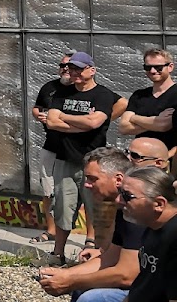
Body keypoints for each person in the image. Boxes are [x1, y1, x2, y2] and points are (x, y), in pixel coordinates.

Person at [42, 142, 171, 302]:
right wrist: (67, 275)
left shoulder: (145, 212)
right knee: (82, 293)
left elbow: (127, 275)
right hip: (146, 292)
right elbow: (112, 258)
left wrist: (71, 280)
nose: (86, 185)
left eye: (92, 179)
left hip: (155, 301)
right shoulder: (135, 211)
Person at [67, 166, 177, 302]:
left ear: (159, 204)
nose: (118, 200)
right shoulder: (152, 227)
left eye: (128, 196)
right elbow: (141, 285)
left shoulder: (173, 237)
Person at [46, 52, 119, 263]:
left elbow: (95, 122)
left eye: (79, 68)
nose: (73, 72)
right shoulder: (62, 93)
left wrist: (66, 118)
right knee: (63, 207)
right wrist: (82, 123)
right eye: (71, 68)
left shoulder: (103, 95)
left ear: (92, 70)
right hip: (65, 159)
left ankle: (97, 255)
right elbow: (51, 121)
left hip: (93, 162)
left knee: (95, 208)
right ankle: (58, 254)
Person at [31, 54, 74, 244]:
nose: (65, 69)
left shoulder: (83, 91)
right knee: (48, 189)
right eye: (62, 65)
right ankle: (51, 231)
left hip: (76, 149)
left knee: (84, 192)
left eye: (70, 66)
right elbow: (37, 107)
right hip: (51, 146)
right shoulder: (49, 87)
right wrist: (39, 115)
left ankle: (90, 238)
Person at [118, 48, 176, 169]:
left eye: (158, 67)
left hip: (168, 162)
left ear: (170, 67)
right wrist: (156, 122)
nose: (153, 71)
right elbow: (124, 127)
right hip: (139, 162)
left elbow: (164, 125)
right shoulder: (139, 95)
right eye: (148, 67)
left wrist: (134, 118)